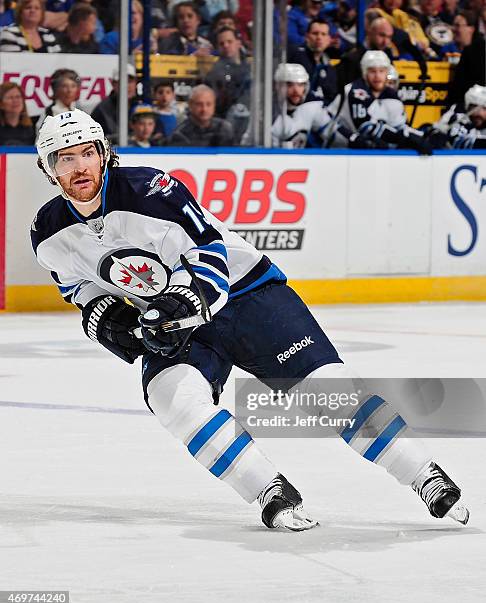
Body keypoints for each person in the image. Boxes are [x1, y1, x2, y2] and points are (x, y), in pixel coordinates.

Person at [31, 108, 470, 530]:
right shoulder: (47, 231)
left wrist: (185, 301)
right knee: (173, 400)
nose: (79, 167)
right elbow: (79, 287)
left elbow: (209, 251)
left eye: (87, 152)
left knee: (327, 391)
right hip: (178, 326)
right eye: (64, 159)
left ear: (104, 153)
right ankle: (268, 490)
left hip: (246, 296)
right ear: (48, 169)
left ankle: (423, 475)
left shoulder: (151, 190)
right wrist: (107, 320)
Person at [325, 50, 431, 152]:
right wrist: (402, 137)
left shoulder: (391, 95)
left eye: (381, 71)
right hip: (336, 147)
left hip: (363, 149)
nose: (377, 76)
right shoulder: (355, 91)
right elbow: (365, 128)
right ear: (364, 73)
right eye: (372, 71)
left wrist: (423, 136)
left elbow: (399, 125)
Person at [204, 26, 251, 142]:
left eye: (229, 42)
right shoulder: (215, 73)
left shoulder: (251, 69)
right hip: (226, 126)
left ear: (238, 43)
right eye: (221, 43)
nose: (225, 46)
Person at [271, 63, 331, 148]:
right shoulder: (268, 115)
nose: (296, 90)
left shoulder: (311, 107)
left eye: (300, 85)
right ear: (278, 86)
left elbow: (334, 133)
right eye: (289, 85)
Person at [288, 18, 338, 104]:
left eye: (323, 34)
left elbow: (332, 94)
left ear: (329, 39)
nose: (319, 37)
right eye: (315, 33)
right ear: (307, 36)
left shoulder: (328, 65)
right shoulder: (296, 57)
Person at [168, 84, 235, 146]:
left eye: (208, 104)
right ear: (190, 105)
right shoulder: (180, 135)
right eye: (199, 104)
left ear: (214, 105)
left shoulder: (225, 129)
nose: (204, 109)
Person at [90, 64, 138, 144]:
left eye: (130, 82)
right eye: (122, 82)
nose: (127, 86)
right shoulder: (102, 109)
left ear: (135, 83)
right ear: (113, 84)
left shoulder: (141, 105)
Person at [429, 84, 486, 148]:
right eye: (473, 107)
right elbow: (434, 132)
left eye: (484, 108)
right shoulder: (456, 119)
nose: (477, 113)